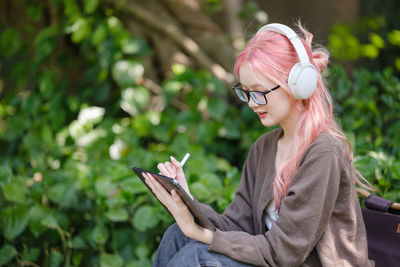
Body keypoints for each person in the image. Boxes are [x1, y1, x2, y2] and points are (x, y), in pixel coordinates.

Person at [143, 22, 374, 267]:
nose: (252, 103)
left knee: (197, 256)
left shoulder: (323, 152)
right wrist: (187, 199)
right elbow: (237, 228)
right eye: (246, 92)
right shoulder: (264, 148)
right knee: (176, 236)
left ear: (297, 84)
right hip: (270, 259)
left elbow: (284, 252)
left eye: (259, 92)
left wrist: (199, 233)